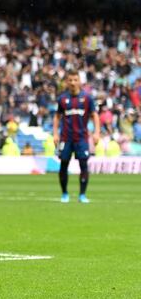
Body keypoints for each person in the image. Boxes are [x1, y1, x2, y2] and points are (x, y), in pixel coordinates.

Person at [53, 70, 100, 204]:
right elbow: (57, 116)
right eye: (70, 80)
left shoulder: (87, 98)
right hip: (66, 137)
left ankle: (82, 195)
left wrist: (97, 133)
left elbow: (95, 115)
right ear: (67, 82)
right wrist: (55, 133)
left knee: (84, 164)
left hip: (81, 138)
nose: (73, 83)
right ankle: (64, 194)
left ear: (79, 81)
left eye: (75, 80)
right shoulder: (62, 99)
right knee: (63, 165)